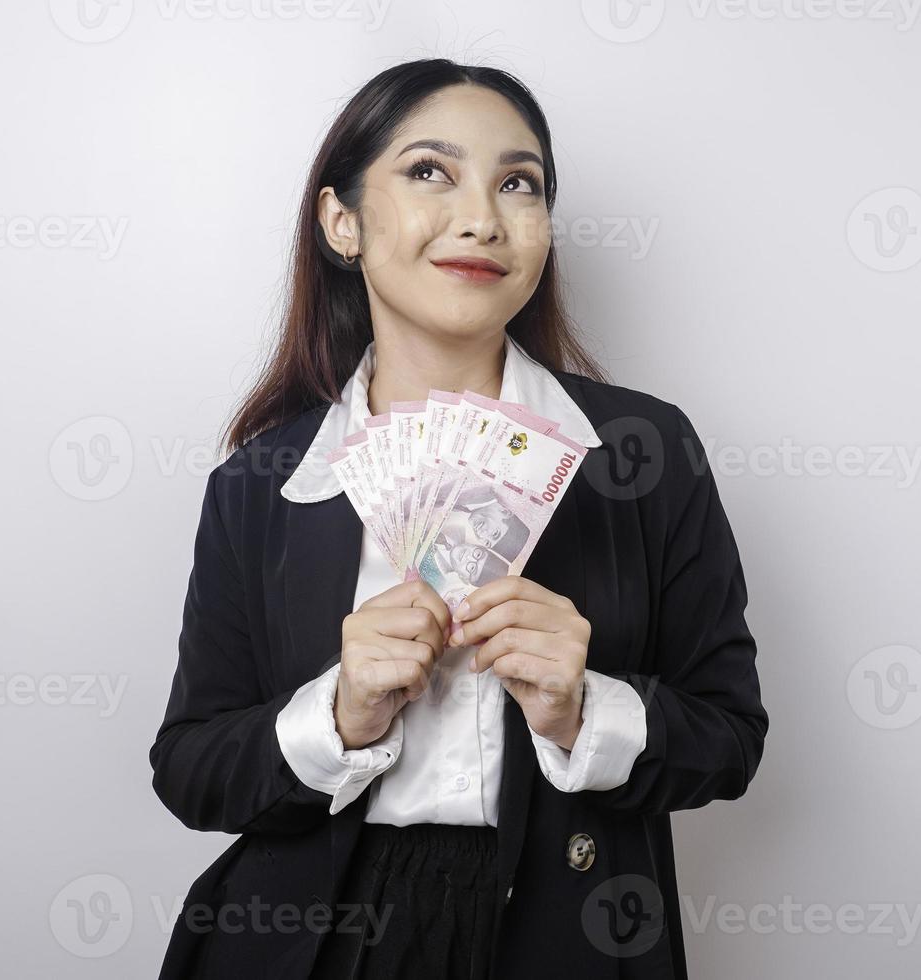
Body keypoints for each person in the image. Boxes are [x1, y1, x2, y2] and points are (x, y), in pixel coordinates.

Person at [149, 58, 769, 980]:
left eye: (519, 183)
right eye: (430, 171)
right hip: (311, 944)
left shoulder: (645, 453)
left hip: (564, 936)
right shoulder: (263, 482)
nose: (482, 217)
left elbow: (730, 739)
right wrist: (340, 713)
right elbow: (191, 768)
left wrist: (583, 707)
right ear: (341, 222)